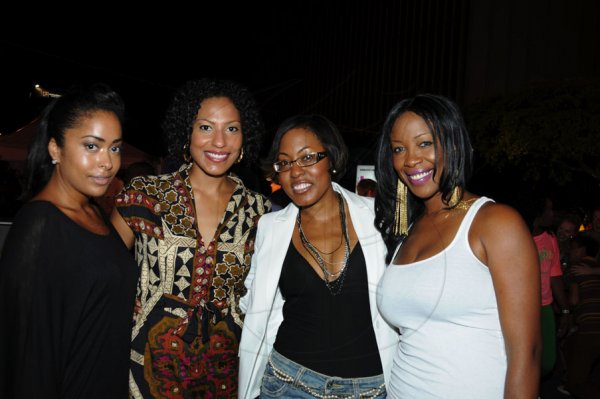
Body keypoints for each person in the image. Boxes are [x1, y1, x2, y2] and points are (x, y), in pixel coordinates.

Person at [111, 78, 271, 398]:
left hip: (225, 373)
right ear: (187, 132)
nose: (220, 142)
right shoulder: (144, 196)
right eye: (206, 127)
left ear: (245, 137)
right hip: (143, 367)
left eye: (232, 129)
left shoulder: (260, 211)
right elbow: (101, 275)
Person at [374, 94, 541, 398]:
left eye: (424, 143)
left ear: (452, 144)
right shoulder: (407, 229)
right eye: (399, 149)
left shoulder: (495, 223)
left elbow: (526, 353)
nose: (410, 159)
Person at [239, 114, 399, 399]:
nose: (296, 171)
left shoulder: (379, 216)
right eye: (285, 162)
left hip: (369, 389)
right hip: (287, 382)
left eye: (308, 158)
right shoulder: (270, 227)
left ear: (332, 160)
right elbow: (254, 298)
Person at [0, 83, 137, 398]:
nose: (107, 162)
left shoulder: (94, 212)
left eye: (115, 147)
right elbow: (26, 357)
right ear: (54, 149)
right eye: (92, 146)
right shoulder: (39, 226)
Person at [563, 233, 600, 398]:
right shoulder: (596, 268)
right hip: (591, 328)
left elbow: (573, 300)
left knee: (576, 384)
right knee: (570, 344)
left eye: (573, 248)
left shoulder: (577, 269)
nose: (570, 252)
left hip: (592, 328)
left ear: (581, 250)